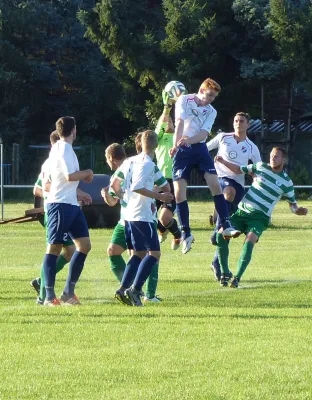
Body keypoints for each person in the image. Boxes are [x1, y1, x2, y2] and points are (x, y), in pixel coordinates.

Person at [215, 147, 308, 288]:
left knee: (249, 240)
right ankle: (225, 272)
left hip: (260, 217)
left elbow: (292, 205)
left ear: (284, 160)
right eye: (271, 155)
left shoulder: (286, 182)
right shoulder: (260, 167)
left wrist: (297, 210)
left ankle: (237, 278)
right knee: (220, 235)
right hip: (242, 212)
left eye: (276, 156)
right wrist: (223, 161)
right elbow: (239, 169)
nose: (272, 158)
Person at [169, 78, 240, 254]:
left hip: (198, 148)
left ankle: (226, 223)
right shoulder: (184, 100)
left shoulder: (211, 111)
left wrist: (187, 141)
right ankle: (186, 233)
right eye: (209, 95)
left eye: (214, 97)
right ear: (201, 90)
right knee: (179, 192)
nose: (210, 99)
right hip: (182, 151)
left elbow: (202, 134)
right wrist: (176, 145)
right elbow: (180, 124)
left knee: (215, 185)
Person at [111, 130, 173, 306]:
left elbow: (115, 185)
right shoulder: (147, 164)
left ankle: (122, 289)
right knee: (154, 253)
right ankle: (135, 290)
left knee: (138, 254)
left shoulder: (130, 161)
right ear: (157, 145)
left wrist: (125, 197)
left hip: (129, 215)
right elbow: (138, 186)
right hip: (142, 216)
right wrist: (159, 197)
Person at [41, 116, 93, 306]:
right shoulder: (63, 147)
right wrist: (87, 172)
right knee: (54, 248)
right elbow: (69, 176)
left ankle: (68, 292)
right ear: (74, 131)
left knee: (84, 245)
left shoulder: (63, 148)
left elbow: (65, 179)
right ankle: (48, 296)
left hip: (71, 204)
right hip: (59, 204)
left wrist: (79, 191)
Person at [207, 112, 261, 281]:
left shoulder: (251, 147)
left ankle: (217, 264)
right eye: (236, 120)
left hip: (238, 185)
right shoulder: (223, 137)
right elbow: (203, 148)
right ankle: (216, 230)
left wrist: (255, 175)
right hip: (220, 180)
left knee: (229, 228)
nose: (238, 123)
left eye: (241, 121)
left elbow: (257, 169)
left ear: (248, 124)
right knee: (228, 192)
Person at [155, 103, 182, 250]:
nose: (168, 122)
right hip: (157, 181)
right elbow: (160, 125)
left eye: (170, 120)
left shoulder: (180, 138)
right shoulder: (158, 138)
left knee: (165, 218)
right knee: (147, 215)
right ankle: (161, 229)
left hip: (174, 181)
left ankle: (177, 235)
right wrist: (166, 109)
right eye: (166, 121)